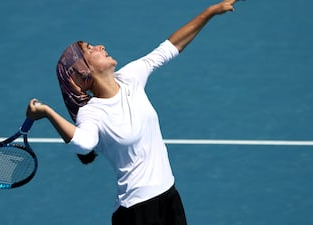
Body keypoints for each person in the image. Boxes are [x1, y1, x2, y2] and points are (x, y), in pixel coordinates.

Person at [26, 0, 242, 224]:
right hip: (137, 212)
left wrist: (211, 11)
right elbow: (83, 144)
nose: (100, 46)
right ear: (82, 71)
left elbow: (169, 47)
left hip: (169, 198)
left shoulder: (130, 78)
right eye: (90, 49)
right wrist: (47, 112)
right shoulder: (92, 114)